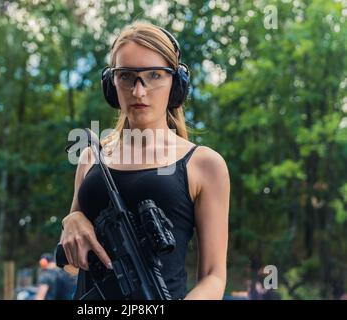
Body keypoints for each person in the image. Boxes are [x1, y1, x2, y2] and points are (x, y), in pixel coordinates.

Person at [60, 21, 230, 300]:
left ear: (176, 84)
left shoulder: (204, 164)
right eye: (126, 76)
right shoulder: (92, 157)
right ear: (110, 84)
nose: (139, 91)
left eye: (154, 75)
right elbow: (70, 265)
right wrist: (72, 219)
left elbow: (214, 275)